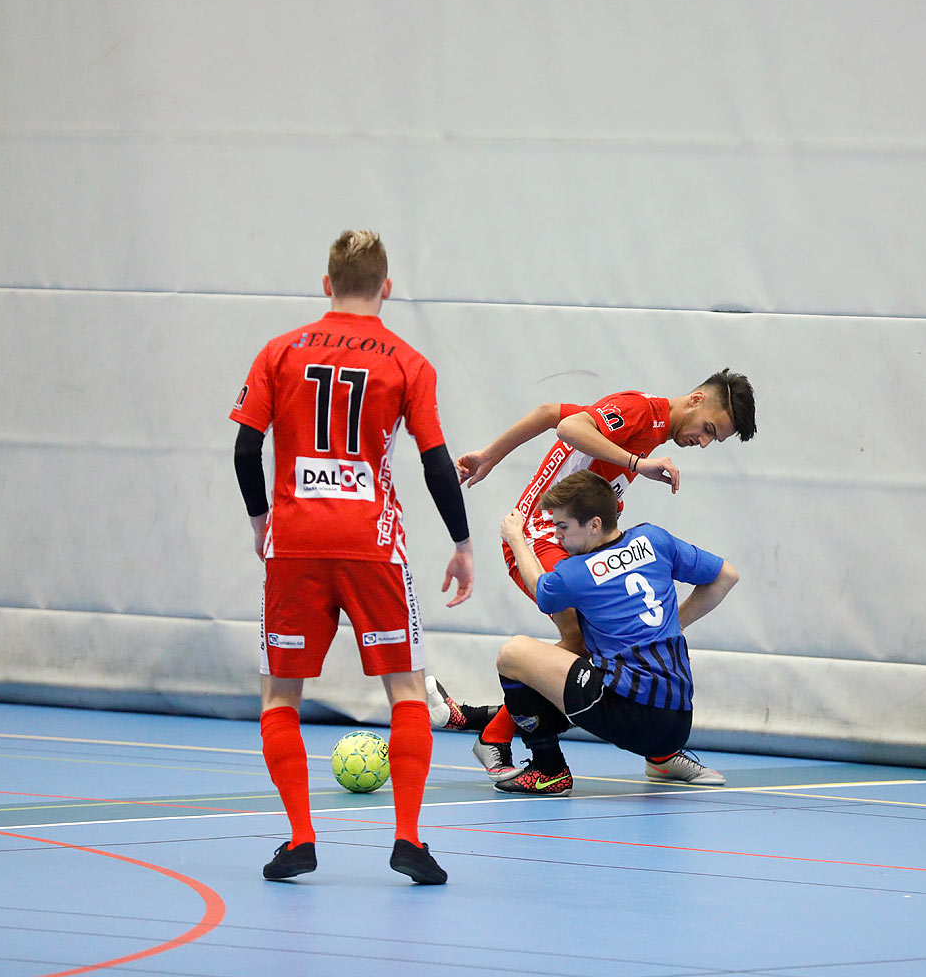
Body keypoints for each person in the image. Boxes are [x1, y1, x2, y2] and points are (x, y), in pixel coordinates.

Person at [230, 229, 474, 881]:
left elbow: (244, 449)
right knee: (406, 692)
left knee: (281, 696)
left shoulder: (279, 352)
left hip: (297, 542)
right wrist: (462, 542)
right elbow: (435, 461)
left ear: (327, 285)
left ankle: (302, 839)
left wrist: (262, 522)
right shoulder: (407, 362)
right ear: (386, 288)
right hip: (372, 543)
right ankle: (409, 840)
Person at [450, 369, 756, 790]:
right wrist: (637, 464)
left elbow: (546, 412)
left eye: (712, 440)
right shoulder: (640, 411)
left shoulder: (652, 428)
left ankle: (656, 753)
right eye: (708, 430)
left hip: (574, 538)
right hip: (543, 534)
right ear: (698, 399)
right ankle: (495, 733)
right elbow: (569, 426)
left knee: (611, 638)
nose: (702, 442)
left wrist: (489, 455)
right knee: (580, 639)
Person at [490, 470, 738, 795]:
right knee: (581, 660)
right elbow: (726, 576)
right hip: (679, 723)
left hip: (631, 719)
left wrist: (516, 538)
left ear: (594, 524)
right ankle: (663, 761)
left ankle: (549, 769)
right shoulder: (654, 539)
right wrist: (673, 626)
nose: (556, 537)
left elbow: (540, 589)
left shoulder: (575, 573)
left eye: (562, 527)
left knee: (514, 654)